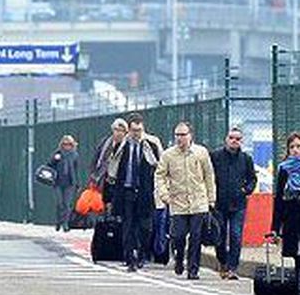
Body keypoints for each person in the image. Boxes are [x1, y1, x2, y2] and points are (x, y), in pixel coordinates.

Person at [154, 122, 215, 280]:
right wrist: (164, 194)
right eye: (177, 135)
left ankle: (193, 269)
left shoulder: (201, 153)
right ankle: (179, 258)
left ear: (190, 135)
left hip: (198, 202)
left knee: (196, 237)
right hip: (178, 203)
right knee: (178, 236)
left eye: (183, 135)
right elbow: (159, 176)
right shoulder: (168, 155)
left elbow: (209, 175)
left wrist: (211, 199)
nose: (179, 138)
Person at [107, 113, 163, 272]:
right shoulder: (122, 145)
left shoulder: (151, 144)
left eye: (139, 130)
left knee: (145, 227)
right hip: (126, 191)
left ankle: (142, 253)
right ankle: (130, 257)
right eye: (133, 130)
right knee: (128, 225)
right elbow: (113, 167)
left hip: (145, 192)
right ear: (129, 130)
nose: (137, 134)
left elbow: (160, 164)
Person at [271, 132, 300, 295]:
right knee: (296, 255)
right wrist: (275, 226)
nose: (296, 150)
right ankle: (299, 290)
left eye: (299, 146)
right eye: (292, 147)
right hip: (291, 216)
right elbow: (279, 198)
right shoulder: (284, 169)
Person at [210, 127, 257, 280]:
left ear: (241, 141)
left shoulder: (246, 159)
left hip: (238, 204)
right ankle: (223, 262)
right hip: (219, 203)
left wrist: (246, 190)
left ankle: (232, 268)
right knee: (221, 235)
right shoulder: (215, 156)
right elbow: (208, 175)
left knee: (236, 235)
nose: (234, 141)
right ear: (226, 139)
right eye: (231, 138)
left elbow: (252, 179)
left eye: (237, 139)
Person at [49, 135, 80, 231]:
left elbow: (76, 170)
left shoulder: (74, 155)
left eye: (69, 144)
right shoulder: (57, 153)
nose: (67, 146)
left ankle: (65, 223)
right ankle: (59, 221)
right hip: (58, 182)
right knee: (59, 203)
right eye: (65, 144)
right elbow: (49, 164)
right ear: (61, 145)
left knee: (67, 204)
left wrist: (77, 183)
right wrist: (54, 159)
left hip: (69, 183)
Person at [91, 118, 128, 188]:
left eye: (122, 131)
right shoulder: (105, 142)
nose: (119, 133)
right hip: (102, 178)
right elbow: (96, 158)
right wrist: (93, 174)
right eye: (117, 130)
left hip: (118, 181)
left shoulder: (127, 146)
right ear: (113, 130)